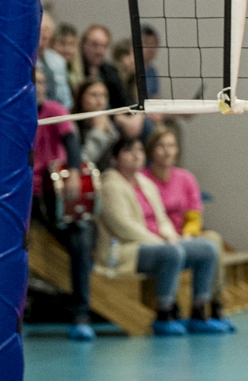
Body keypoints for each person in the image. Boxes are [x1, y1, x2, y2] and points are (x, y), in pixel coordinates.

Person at [97, 135, 233, 335]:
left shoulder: (145, 184)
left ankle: (199, 311)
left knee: (208, 248)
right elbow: (123, 226)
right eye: (128, 151)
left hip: (158, 243)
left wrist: (170, 235)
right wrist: (160, 242)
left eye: (139, 150)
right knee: (172, 253)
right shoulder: (110, 186)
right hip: (125, 249)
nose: (135, 155)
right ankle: (165, 313)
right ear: (115, 158)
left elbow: (162, 218)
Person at [31, 65, 95, 341]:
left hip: (52, 191)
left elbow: (72, 143)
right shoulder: (12, 112)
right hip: (23, 194)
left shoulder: (56, 111)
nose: (40, 86)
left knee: (80, 238)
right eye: (35, 81)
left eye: (43, 82)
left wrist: (74, 171)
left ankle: (81, 314)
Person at [80, 24, 129, 108]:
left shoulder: (111, 72)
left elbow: (125, 102)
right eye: (94, 44)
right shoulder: (74, 69)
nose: (99, 51)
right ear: (83, 44)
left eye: (104, 46)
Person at [75, 79, 120, 169]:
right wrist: (98, 131)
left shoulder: (109, 122)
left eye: (103, 95)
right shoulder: (72, 124)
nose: (100, 100)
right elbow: (84, 161)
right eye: (93, 95)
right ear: (81, 98)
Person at [38, 10, 72, 107]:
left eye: (48, 30)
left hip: (58, 111)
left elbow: (66, 97)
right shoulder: (24, 60)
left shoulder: (58, 61)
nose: (45, 35)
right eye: (42, 30)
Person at [53, 22, 84, 90]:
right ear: (52, 44)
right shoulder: (47, 70)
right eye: (62, 43)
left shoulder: (76, 72)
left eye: (72, 44)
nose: (67, 50)